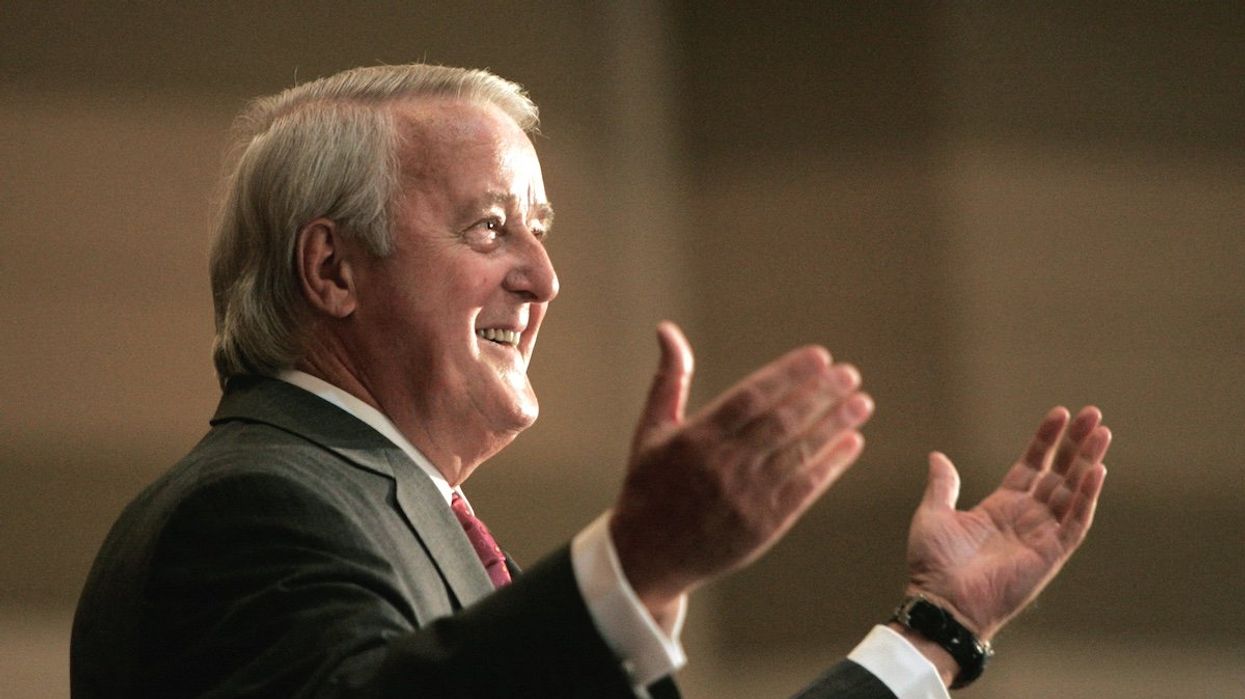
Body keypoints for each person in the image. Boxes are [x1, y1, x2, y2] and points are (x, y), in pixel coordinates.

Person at [70, 64, 1111, 698]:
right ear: (334, 269)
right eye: (490, 228)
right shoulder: (253, 508)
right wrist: (635, 563)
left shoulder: (398, 518)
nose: (545, 276)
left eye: (542, 229)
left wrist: (935, 633)